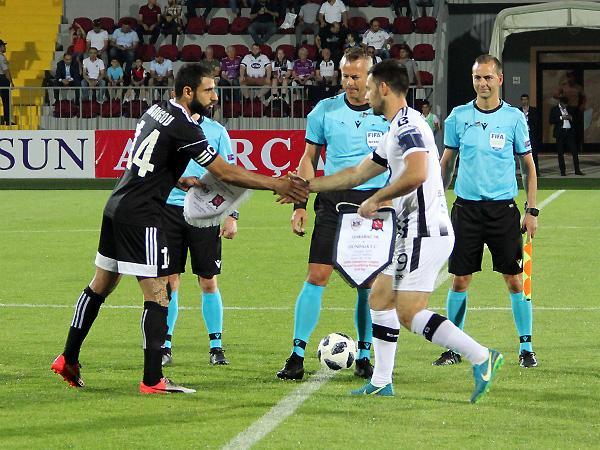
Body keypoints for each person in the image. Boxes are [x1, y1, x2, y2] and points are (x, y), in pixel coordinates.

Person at [50, 62, 309, 394]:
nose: (215, 97)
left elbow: (149, 160)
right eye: (208, 90)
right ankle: (152, 379)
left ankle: (67, 358)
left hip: (117, 205)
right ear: (188, 92)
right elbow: (225, 172)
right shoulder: (186, 127)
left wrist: (178, 179)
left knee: (100, 285)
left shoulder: (157, 110)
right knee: (159, 295)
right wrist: (276, 183)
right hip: (142, 215)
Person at [308, 59, 504, 403]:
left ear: (384, 88)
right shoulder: (394, 129)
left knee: (409, 312)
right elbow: (356, 174)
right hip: (414, 231)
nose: (366, 94)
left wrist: (376, 198)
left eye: (370, 88)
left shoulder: (407, 125)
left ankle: (481, 356)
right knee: (380, 298)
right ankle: (381, 381)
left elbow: (417, 172)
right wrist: (308, 186)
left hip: (423, 231)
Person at [276, 48, 390, 381]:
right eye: (345, 75)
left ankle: (365, 355)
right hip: (332, 201)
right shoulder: (324, 111)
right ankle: (296, 355)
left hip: (373, 204)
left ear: (371, 77)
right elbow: (308, 159)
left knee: (368, 284)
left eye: (356, 76)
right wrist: (299, 204)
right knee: (316, 275)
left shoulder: (388, 115)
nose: (349, 82)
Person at [436, 54, 539, 368]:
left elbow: (528, 167)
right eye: (477, 78)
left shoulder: (514, 118)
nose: (482, 83)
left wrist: (531, 210)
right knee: (459, 280)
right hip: (465, 210)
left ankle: (526, 348)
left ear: (500, 79)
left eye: (488, 77)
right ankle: (453, 348)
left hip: (503, 211)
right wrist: (436, 203)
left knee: (514, 279)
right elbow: (446, 163)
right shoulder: (458, 117)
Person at [161, 115, 238, 367]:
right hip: (168, 211)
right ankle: (164, 345)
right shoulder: (167, 126)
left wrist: (232, 215)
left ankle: (216, 347)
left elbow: (230, 174)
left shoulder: (217, 131)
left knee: (208, 280)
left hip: (205, 211)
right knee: (169, 281)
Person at [549, 96, 584, 176]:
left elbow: (576, 119)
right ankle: (563, 171)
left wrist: (571, 118)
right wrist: (561, 117)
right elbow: (551, 120)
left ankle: (577, 170)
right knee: (560, 153)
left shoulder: (570, 108)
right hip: (560, 133)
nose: (565, 106)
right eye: (564, 105)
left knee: (574, 152)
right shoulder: (554, 109)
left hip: (569, 133)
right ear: (560, 103)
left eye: (566, 105)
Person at [519, 94, 540, 176]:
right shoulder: (519, 111)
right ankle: (524, 172)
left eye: (526, 99)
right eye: (523, 100)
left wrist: (528, 118)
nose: (524, 101)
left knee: (534, 153)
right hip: (522, 134)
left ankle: (536, 172)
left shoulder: (533, 110)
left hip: (531, 134)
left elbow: (537, 122)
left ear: (528, 100)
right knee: (523, 154)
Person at [0, 39, 14, 125]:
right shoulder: (1, 57)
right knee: (6, 100)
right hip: (2, 79)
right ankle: (7, 120)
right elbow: (6, 71)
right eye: (3, 46)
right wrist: (11, 82)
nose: (5, 47)